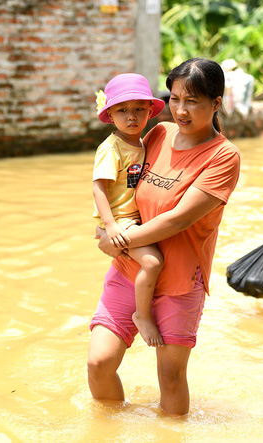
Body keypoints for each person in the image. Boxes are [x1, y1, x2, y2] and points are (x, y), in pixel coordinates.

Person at [87, 58, 241, 415]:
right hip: (131, 269)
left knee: (170, 377)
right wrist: (105, 228)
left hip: (178, 278)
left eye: (192, 101)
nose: (181, 110)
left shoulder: (223, 157)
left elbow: (177, 219)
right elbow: (116, 189)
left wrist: (121, 239)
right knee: (99, 363)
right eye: (174, 99)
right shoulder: (158, 133)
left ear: (216, 103)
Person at [93, 73, 167, 347]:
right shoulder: (111, 148)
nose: (132, 116)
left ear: (150, 111)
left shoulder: (141, 143)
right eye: (122, 110)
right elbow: (98, 187)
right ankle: (142, 315)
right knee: (152, 262)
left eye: (138, 109)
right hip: (121, 221)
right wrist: (110, 226)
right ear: (110, 115)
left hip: (132, 219)